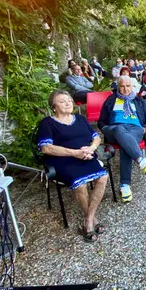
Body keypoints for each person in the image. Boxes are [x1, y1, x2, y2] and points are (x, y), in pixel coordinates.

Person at [37, 91, 108, 242]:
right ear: (54, 107)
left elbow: (96, 138)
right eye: (62, 101)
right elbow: (46, 148)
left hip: (86, 156)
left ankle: (88, 219)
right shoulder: (47, 123)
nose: (68, 103)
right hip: (63, 160)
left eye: (69, 100)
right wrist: (75, 153)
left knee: (103, 177)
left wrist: (91, 149)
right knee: (81, 183)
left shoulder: (81, 119)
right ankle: (91, 221)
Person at [98, 75, 146, 203]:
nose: (125, 89)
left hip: (135, 129)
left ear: (132, 87)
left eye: (128, 86)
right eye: (122, 86)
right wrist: (105, 127)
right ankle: (141, 161)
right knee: (119, 130)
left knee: (125, 145)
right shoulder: (111, 100)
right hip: (114, 128)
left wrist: (145, 128)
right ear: (118, 87)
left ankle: (125, 185)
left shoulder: (139, 101)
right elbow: (101, 120)